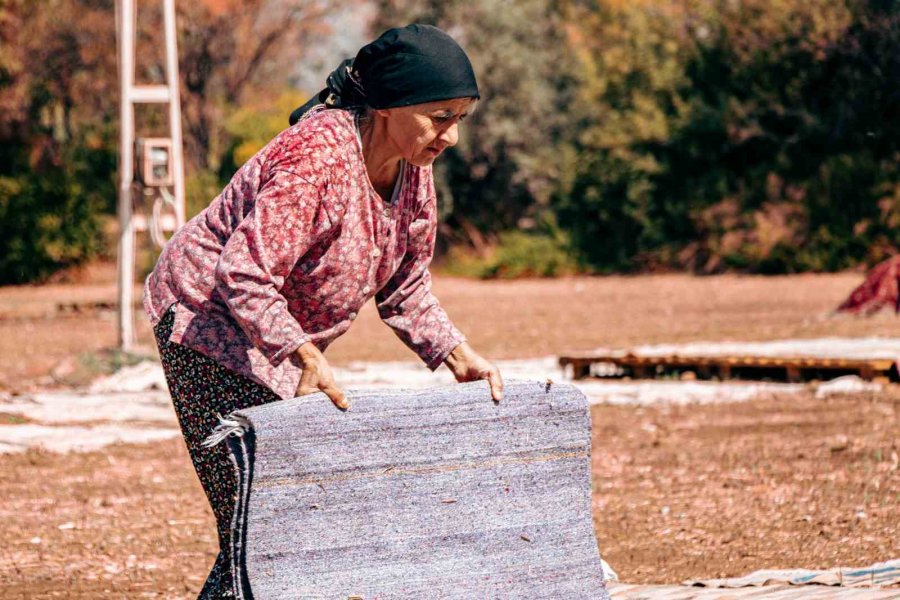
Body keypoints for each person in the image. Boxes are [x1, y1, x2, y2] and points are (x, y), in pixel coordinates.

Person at [143, 24, 504, 598]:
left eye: (460, 118)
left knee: (292, 517)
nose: (451, 137)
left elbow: (405, 283)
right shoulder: (318, 157)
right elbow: (242, 272)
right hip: (204, 321)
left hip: (276, 341)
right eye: (440, 116)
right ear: (388, 105)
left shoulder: (415, 170)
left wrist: (457, 355)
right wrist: (303, 352)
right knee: (266, 520)